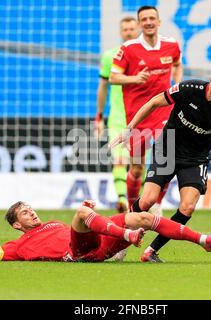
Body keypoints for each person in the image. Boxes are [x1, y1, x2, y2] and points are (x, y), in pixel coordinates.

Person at [110, 65, 211, 262]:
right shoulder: (189, 89)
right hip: (168, 147)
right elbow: (154, 102)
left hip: (195, 158)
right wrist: (130, 128)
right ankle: (121, 240)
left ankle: (151, 250)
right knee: (148, 200)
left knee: (187, 207)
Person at [0, 200, 211, 262]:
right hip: (77, 254)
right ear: (16, 225)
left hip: (97, 242)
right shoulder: (16, 246)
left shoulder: (52, 223)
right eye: (24, 212)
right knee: (82, 213)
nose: (32, 211)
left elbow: (84, 223)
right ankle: (126, 240)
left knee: (144, 218)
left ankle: (203, 241)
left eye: (30, 207)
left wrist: (90, 214)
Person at [109, 5, 182, 213]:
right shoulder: (128, 49)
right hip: (138, 114)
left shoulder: (171, 45)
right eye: (144, 19)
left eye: (152, 18)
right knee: (137, 167)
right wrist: (135, 78)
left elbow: (177, 64)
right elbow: (114, 77)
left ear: (159, 22)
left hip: (163, 110)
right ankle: (134, 209)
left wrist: (176, 85)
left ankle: (156, 205)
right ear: (140, 24)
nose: (149, 22)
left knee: (166, 160)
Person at [94, 16, 139, 213]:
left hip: (141, 116)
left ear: (137, 30)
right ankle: (122, 199)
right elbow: (103, 86)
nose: (129, 32)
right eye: (125, 29)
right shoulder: (109, 56)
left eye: (131, 29)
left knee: (139, 162)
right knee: (119, 159)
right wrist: (99, 116)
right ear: (121, 32)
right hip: (118, 117)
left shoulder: (144, 56)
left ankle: (138, 203)